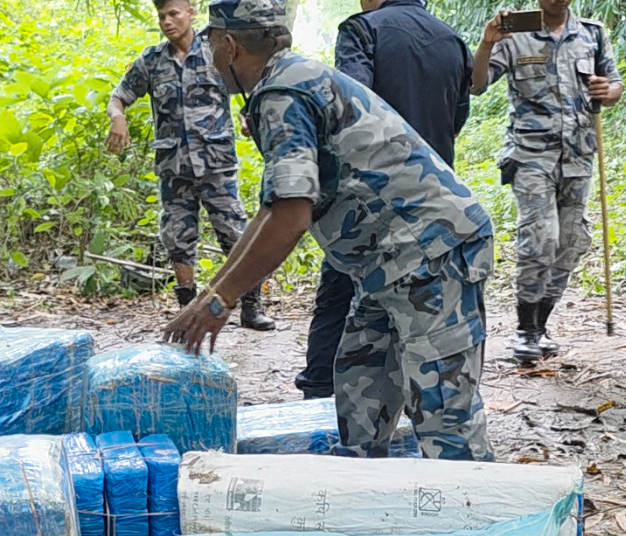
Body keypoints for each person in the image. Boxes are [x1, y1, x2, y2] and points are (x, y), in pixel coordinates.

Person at [165, 0, 495, 462]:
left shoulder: (285, 92)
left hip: (433, 252)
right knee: (361, 389)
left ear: (231, 45)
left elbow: (292, 217)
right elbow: (272, 208)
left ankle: (480, 517)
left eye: (213, 42)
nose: (212, 55)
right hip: (385, 263)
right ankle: (362, 495)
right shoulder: (285, 82)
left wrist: (221, 301)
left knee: (445, 417)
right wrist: (212, 293)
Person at [294, 0, 474, 398]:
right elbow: (457, 118)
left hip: (374, 194)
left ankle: (320, 394)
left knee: (341, 293)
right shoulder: (453, 40)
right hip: (435, 196)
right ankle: (416, 402)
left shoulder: (363, 31)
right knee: (425, 303)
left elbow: (351, 109)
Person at [106, 0, 275, 330]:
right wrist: (117, 118)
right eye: (161, 16)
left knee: (236, 234)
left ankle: (251, 306)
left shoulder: (218, 50)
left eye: (173, 14)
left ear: (191, 11)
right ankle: (186, 307)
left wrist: (250, 112)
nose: (167, 22)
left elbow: (254, 83)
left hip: (216, 164)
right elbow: (119, 96)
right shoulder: (151, 61)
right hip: (175, 167)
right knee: (178, 238)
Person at [471, 1, 621, 362]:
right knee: (541, 237)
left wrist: (608, 91)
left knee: (570, 241)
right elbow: (476, 85)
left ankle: (541, 326)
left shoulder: (592, 33)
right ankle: (524, 329)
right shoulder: (514, 32)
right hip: (530, 156)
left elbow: (613, 85)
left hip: (578, 155)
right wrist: (487, 42)